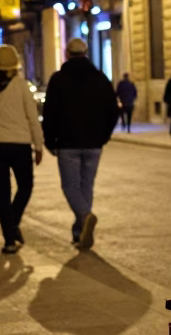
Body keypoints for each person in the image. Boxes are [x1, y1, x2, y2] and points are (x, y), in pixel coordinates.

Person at [42, 37, 119, 250]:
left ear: (67, 54)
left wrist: (49, 140)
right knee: (86, 186)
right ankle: (79, 232)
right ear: (86, 53)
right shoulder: (100, 78)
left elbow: (49, 113)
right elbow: (113, 110)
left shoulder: (58, 79)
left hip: (67, 143)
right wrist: (104, 136)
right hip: (94, 142)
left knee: (70, 185)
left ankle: (85, 217)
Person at [0, 44, 45, 255]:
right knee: (26, 187)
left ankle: (9, 240)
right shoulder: (21, 85)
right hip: (20, 145)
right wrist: (38, 146)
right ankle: (13, 223)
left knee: (3, 193)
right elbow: (32, 117)